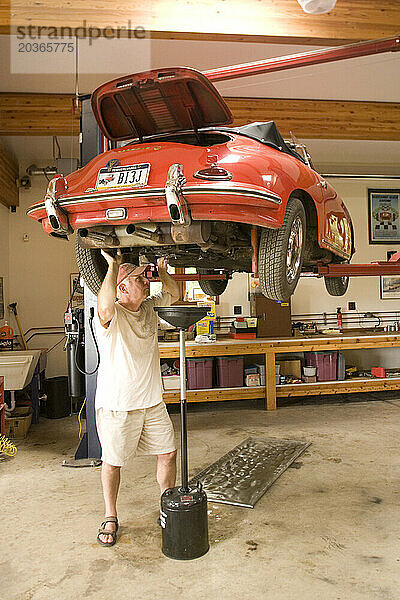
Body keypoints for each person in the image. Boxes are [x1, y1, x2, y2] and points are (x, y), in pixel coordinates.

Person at [95, 249, 180, 547]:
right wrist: (114, 265)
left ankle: (165, 505)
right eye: (140, 279)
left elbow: (175, 292)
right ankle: (110, 515)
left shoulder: (150, 309)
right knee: (113, 462)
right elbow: (104, 306)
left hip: (152, 403)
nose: (147, 282)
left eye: (146, 278)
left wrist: (161, 269)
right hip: (119, 406)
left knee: (168, 452)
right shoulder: (112, 315)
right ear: (122, 288)